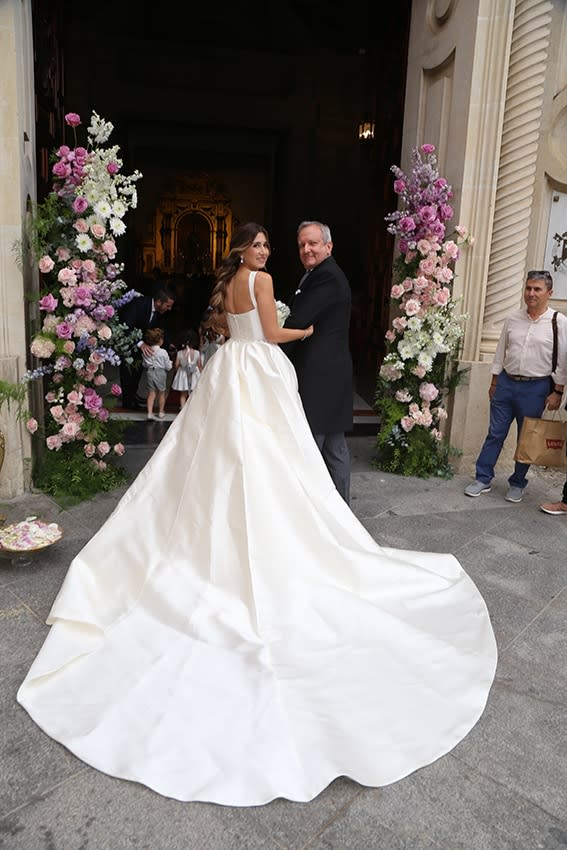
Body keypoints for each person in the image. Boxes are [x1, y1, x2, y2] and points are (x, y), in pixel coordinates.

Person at [17, 223, 497, 808]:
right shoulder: (264, 281)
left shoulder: (229, 286)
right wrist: (305, 328)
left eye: (273, 246)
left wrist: (269, 324)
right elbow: (271, 333)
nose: (268, 252)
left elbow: (233, 329)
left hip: (228, 372)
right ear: (244, 249)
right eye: (261, 245)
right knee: (272, 458)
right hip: (262, 370)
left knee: (218, 461)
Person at [464, 270, 567, 502]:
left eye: (537, 289)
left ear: (549, 293)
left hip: (536, 388)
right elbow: (501, 351)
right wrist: (494, 381)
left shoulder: (558, 322)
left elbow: (562, 361)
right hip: (506, 384)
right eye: (528, 288)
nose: (531, 293)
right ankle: (483, 478)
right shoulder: (512, 319)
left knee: (527, 437)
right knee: (495, 433)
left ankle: (518, 482)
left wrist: (558, 391)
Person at [282, 220, 353, 503]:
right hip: (330, 373)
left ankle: (320, 515)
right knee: (334, 447)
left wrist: (265, 339)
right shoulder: (318, 273)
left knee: (311, 448)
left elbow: (299, 319)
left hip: (321, 376)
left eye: (312, 243)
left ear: (328, 246)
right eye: (301, 245)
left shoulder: (327, 276)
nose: (306, 249)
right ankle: (342, 513)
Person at [118, 285, 175, 409]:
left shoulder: (161, 312)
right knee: (128, 372)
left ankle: (133, 395)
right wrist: (140, 343)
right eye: (168, 305)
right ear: (159, 302)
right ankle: (127, 401)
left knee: (138, 370)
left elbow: (162, 328)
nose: (169, 309)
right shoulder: (138, 305)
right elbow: (126, 325)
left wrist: (168, 343)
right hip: (128, 344)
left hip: (144, 346)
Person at [141, 327, 173, 420]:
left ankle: (150, 413)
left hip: (150, 372)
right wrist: (170, 364)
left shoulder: (146, 351)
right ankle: (161, 412)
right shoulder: (163, 352)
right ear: (160, 341)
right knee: (161, 393)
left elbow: (145, 364)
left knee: (151, 393)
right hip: (160, 372)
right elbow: (168, 366)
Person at [171, 328, 201, 410]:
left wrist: (179, 369)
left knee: (183, 394)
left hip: (183, 374)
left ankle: (183, 410)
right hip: (194, 374)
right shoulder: (197, 353)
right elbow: (199, 365)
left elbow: (176, 365)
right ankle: (192, 409)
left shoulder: (179, 353)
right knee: (193, 394)